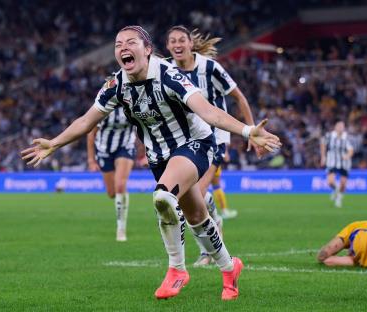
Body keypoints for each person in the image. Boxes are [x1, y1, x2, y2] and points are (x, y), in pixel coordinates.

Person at [21, 25, 281, 300]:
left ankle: (176, 270)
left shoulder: (168, 75)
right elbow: (87, 121)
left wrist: (247, 130)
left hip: (195, 144)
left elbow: (208, 112)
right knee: (197, 216)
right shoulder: (116, 85)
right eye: (118, 43)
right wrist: (54, 142)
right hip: (159, 157)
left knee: (162, 197)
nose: (123, 47)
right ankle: (230, 269)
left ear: (147, 50)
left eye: (131, 42)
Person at [166, 25, 258, 266]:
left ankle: (208, 252)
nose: (177, 45)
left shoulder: (210, 67)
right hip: (186, 141)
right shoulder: (166, 70)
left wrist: (251, 131)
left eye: (181, 40)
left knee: (193, 194)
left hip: (214, 139)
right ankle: (215, 219)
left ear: (189, 44)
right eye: (172, 41)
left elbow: (239, 97)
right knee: (194, 198)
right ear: (168, 47)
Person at [87, 106, 136, 241]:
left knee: (120, 185)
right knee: (112, 193)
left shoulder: (131, 104)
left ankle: (121, 229)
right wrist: (91, 160)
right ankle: (122, 197)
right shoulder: (103, 106)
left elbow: (143, 128)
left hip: (125, 147)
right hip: (104, 150)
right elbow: (91, 134)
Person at [320, 120, 354, 208]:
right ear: (335, 127)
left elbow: (351, 150)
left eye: (342, 126)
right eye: (339, 126)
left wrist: (347, 156)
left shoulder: (347, 137)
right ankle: (336, 190)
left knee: (343, 184)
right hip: (332, 161)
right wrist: (323, 156)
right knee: (330, 182)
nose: (340, 128)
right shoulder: (330, 136)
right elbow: (323, 144)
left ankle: (339, 198)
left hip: (344, 163)